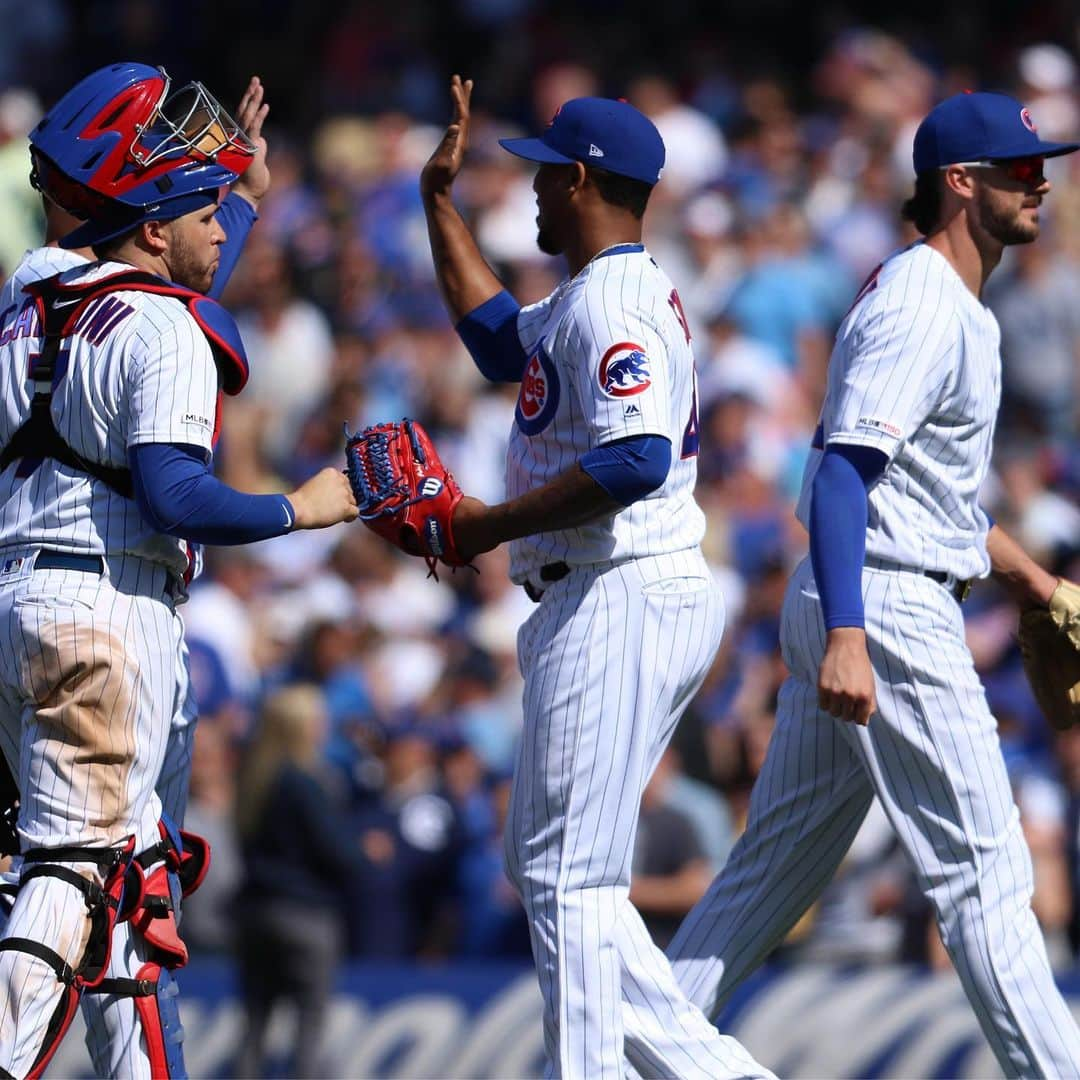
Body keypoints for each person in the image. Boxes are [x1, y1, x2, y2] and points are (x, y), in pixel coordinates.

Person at [663, 90, 1080, 1077]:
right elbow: (839, 477)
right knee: (984, 869)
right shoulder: (922, 303)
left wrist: (1027, 578)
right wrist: (851, 633)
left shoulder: (951, 306)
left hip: (871, 590)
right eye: (1020, 170)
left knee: (773, 871)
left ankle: (617, 1054)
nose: (1043, 182)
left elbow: (920, 489)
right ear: (959, 183)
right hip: (883, 604)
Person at [0, 63, 357, 1077]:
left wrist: (233, 186)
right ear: (154, 224)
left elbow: (153, 262)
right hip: (107, 609)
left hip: (22, 594)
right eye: (206, 210)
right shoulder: (160, 325)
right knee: (77, 875)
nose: (223, 228)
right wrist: (305, 507)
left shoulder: (28, 307)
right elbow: (176, 494)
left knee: (128, 892)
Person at [420, 75, 770, 1080]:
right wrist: (437, 204)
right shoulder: (589, 294)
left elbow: (635, 460)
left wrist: (488, 523)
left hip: (619, 582)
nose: (530, 192)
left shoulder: (614, 301)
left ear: (580, 179)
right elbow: (496, 343)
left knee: (569, 882)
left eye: (543, 175)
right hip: (604, 587)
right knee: (556, 876)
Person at [234, 685, 360, 1079]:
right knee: (309, 1028)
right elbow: (335, 851)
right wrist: (362, 854)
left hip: (256, 913)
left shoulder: (253, 779)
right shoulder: (304, 783)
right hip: (305, 914)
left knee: (255, 1027)